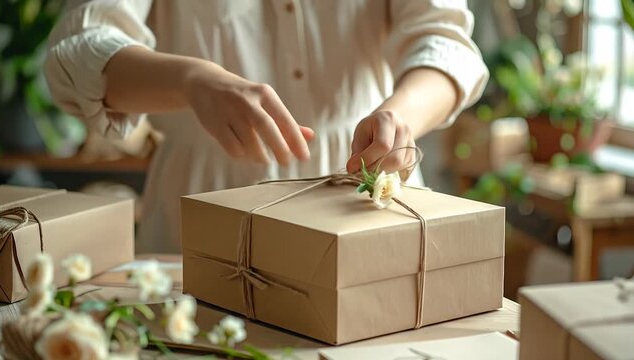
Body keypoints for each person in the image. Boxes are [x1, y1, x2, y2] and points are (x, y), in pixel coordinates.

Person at [45, 1, 488, 253]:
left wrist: (401, 117)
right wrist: (191, 80)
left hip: (364, 194)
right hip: (206, 202)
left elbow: (446, 42)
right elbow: (77, 53)